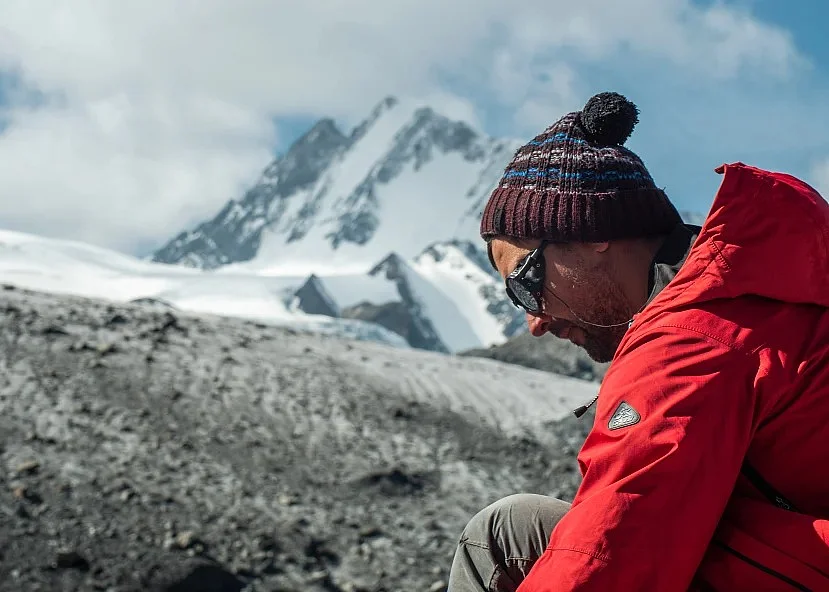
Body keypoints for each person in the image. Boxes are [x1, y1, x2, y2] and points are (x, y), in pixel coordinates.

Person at [447, 91, 829, 591]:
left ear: (590, 233)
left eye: (525, 281)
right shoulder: (755, 287)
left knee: (511, 539)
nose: (534, 321)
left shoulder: (694, 339)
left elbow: (609, 555)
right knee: (512, 530)